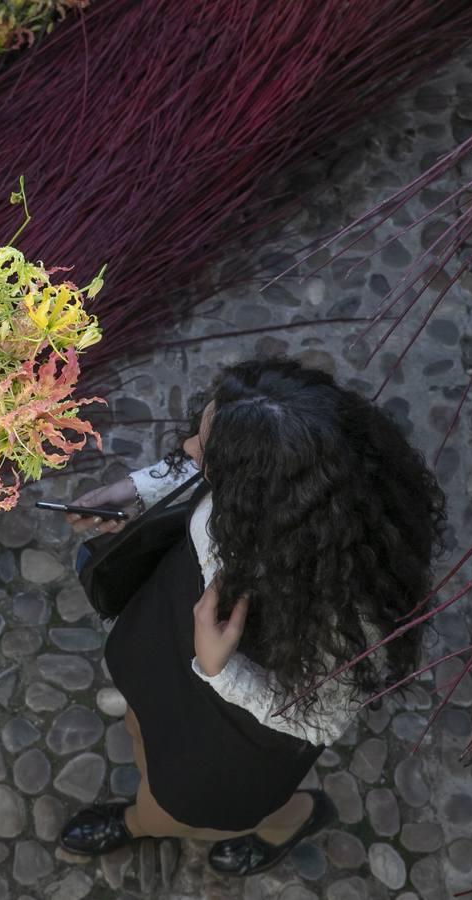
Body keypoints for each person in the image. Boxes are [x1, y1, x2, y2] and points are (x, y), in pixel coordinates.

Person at [56, 357, 446, 876]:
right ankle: (156, 803)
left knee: (174, 806)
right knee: (141, 726)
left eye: (207, 452)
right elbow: (199, 465)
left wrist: (221, 669)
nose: (189, 451)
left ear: (265, 494)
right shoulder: (279, 482)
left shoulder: (351, 615)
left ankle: (246, 820)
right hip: (179, 646)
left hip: (232, 722)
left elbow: (321, 719)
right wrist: (137, 489)